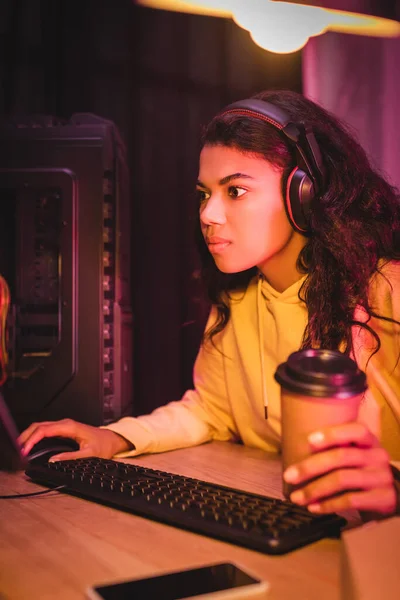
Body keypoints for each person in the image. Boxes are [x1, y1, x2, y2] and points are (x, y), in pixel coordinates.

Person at [19, 90, 400, 517]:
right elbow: (210, 411)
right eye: (204, 194)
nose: (208, 214)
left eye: (235, 191)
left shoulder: (387, 294)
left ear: (303, 195)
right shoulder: (237, 301)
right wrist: (116, 439)